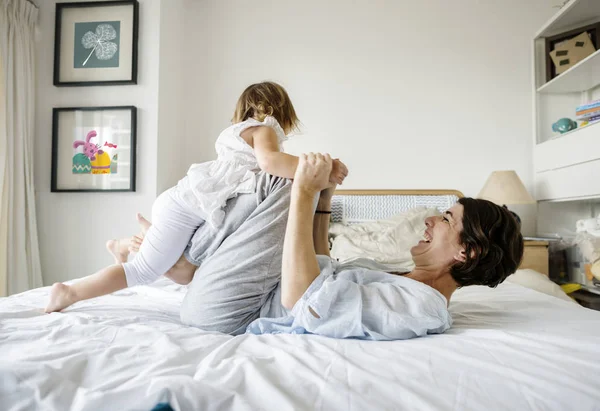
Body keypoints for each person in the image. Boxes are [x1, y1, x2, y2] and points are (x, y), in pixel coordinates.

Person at [134, 154, 523, 340]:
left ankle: (173, 256)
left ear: (467, 252)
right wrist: (323, 199)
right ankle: (182, 264)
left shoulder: (422, 306)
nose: (430, 221)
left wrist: (303, 192)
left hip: (229, 314)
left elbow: (299, 297)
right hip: (244, 297)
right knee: (281, 186)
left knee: (280, 183)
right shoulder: (404, 279)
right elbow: (320, 264)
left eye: (447, 220)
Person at [45, 82, 348, 313]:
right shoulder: (263, 129)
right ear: (275, 110)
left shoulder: (238, 131)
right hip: (185, 208)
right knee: (143, 271)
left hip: (192, 206)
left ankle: (126, 243)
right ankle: (70, 292)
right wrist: (315, 170)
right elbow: (271, 163)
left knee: (185, 273)